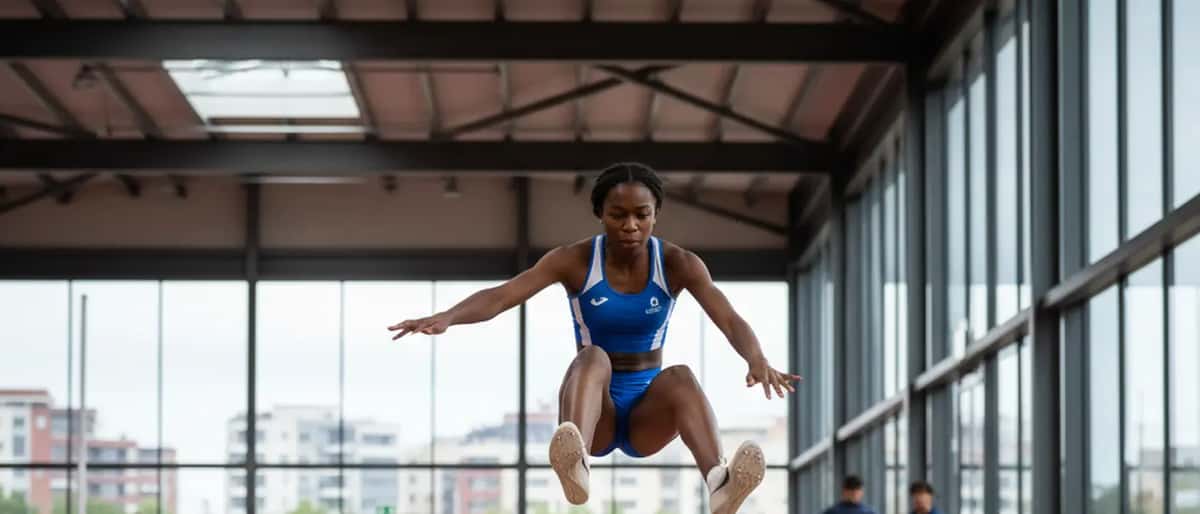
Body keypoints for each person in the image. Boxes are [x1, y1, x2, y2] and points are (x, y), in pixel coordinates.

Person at [389, 162, 799, 514]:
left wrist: (756, 357)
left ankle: (720, 483)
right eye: (618, 214)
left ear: (656, 214)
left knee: (682, 376)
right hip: (593, 410)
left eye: (642, 214)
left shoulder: (677, 263)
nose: (631, 226)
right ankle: (576, 463)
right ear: (600, 213)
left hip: (646, 416)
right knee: (593, 357)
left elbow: (726, 315)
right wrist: (448, 316)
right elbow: (503, 295)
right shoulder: (573, 260)